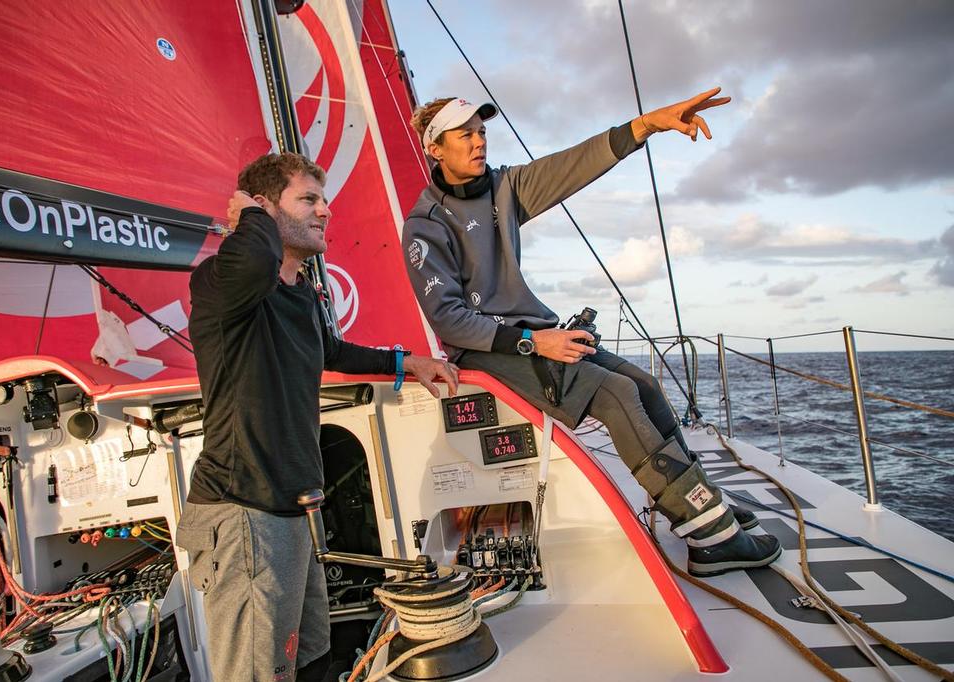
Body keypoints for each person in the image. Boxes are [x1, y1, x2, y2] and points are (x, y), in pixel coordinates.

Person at [401, 91, 780, 578]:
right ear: (436, 149)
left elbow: (573, 165)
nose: (479, 142)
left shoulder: (504, 188)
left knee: (643, 384)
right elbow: (450, 321)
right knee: (617, 395)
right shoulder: (424, 226)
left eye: (482, 131)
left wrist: (646, 125)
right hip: (486, 348)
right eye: (465, 134)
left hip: (531, 335)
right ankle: (712, 539)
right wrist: (535, 342)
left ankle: (699, 500)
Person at [176, 151, 458, 682]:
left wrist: (407, 361)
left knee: (309, 656)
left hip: (288, 509)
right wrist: (250, 217)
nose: (325, 211)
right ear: (260, 209)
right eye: (308, 199)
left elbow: (331, 351)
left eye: (324, 200)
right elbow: (251, 265)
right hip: (243, 512)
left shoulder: (301, 292)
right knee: (260, 672)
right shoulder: (222, 283)